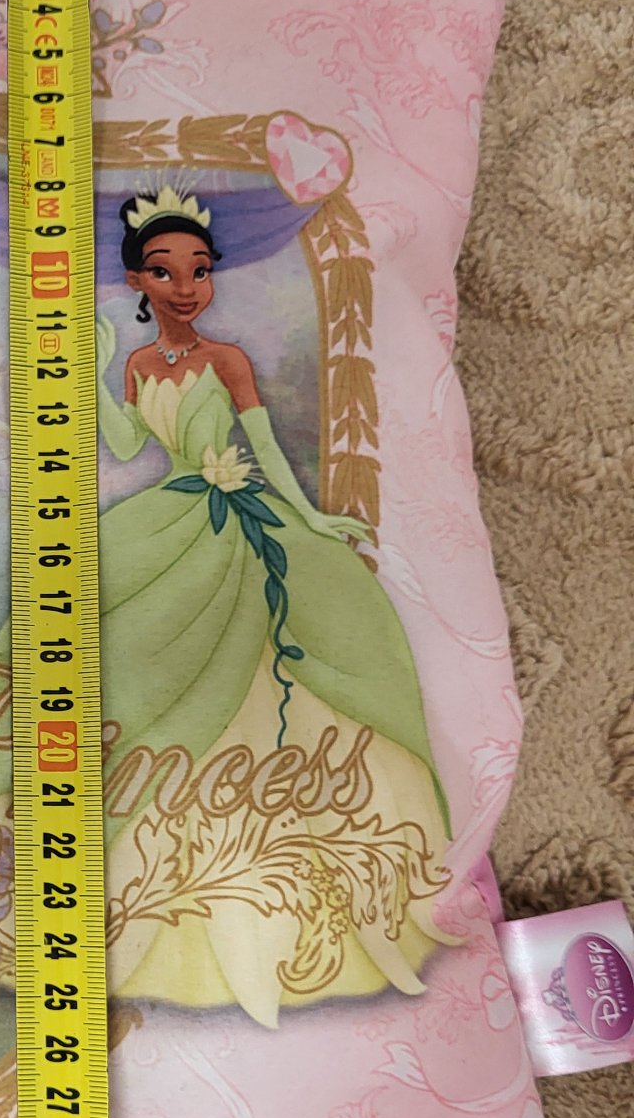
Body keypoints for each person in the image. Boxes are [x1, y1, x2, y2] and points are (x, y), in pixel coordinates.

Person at [91, 186, 453, 1026]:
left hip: (240, 517)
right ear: (139, 281)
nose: (186, 286)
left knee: (265, 665)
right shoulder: (139, 366)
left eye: (200, 269)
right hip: (168, 515)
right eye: (164, 271)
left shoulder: (227, 360)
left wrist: (310, 517)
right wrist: (97, 368)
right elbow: (127, 442)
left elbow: (264, 449)